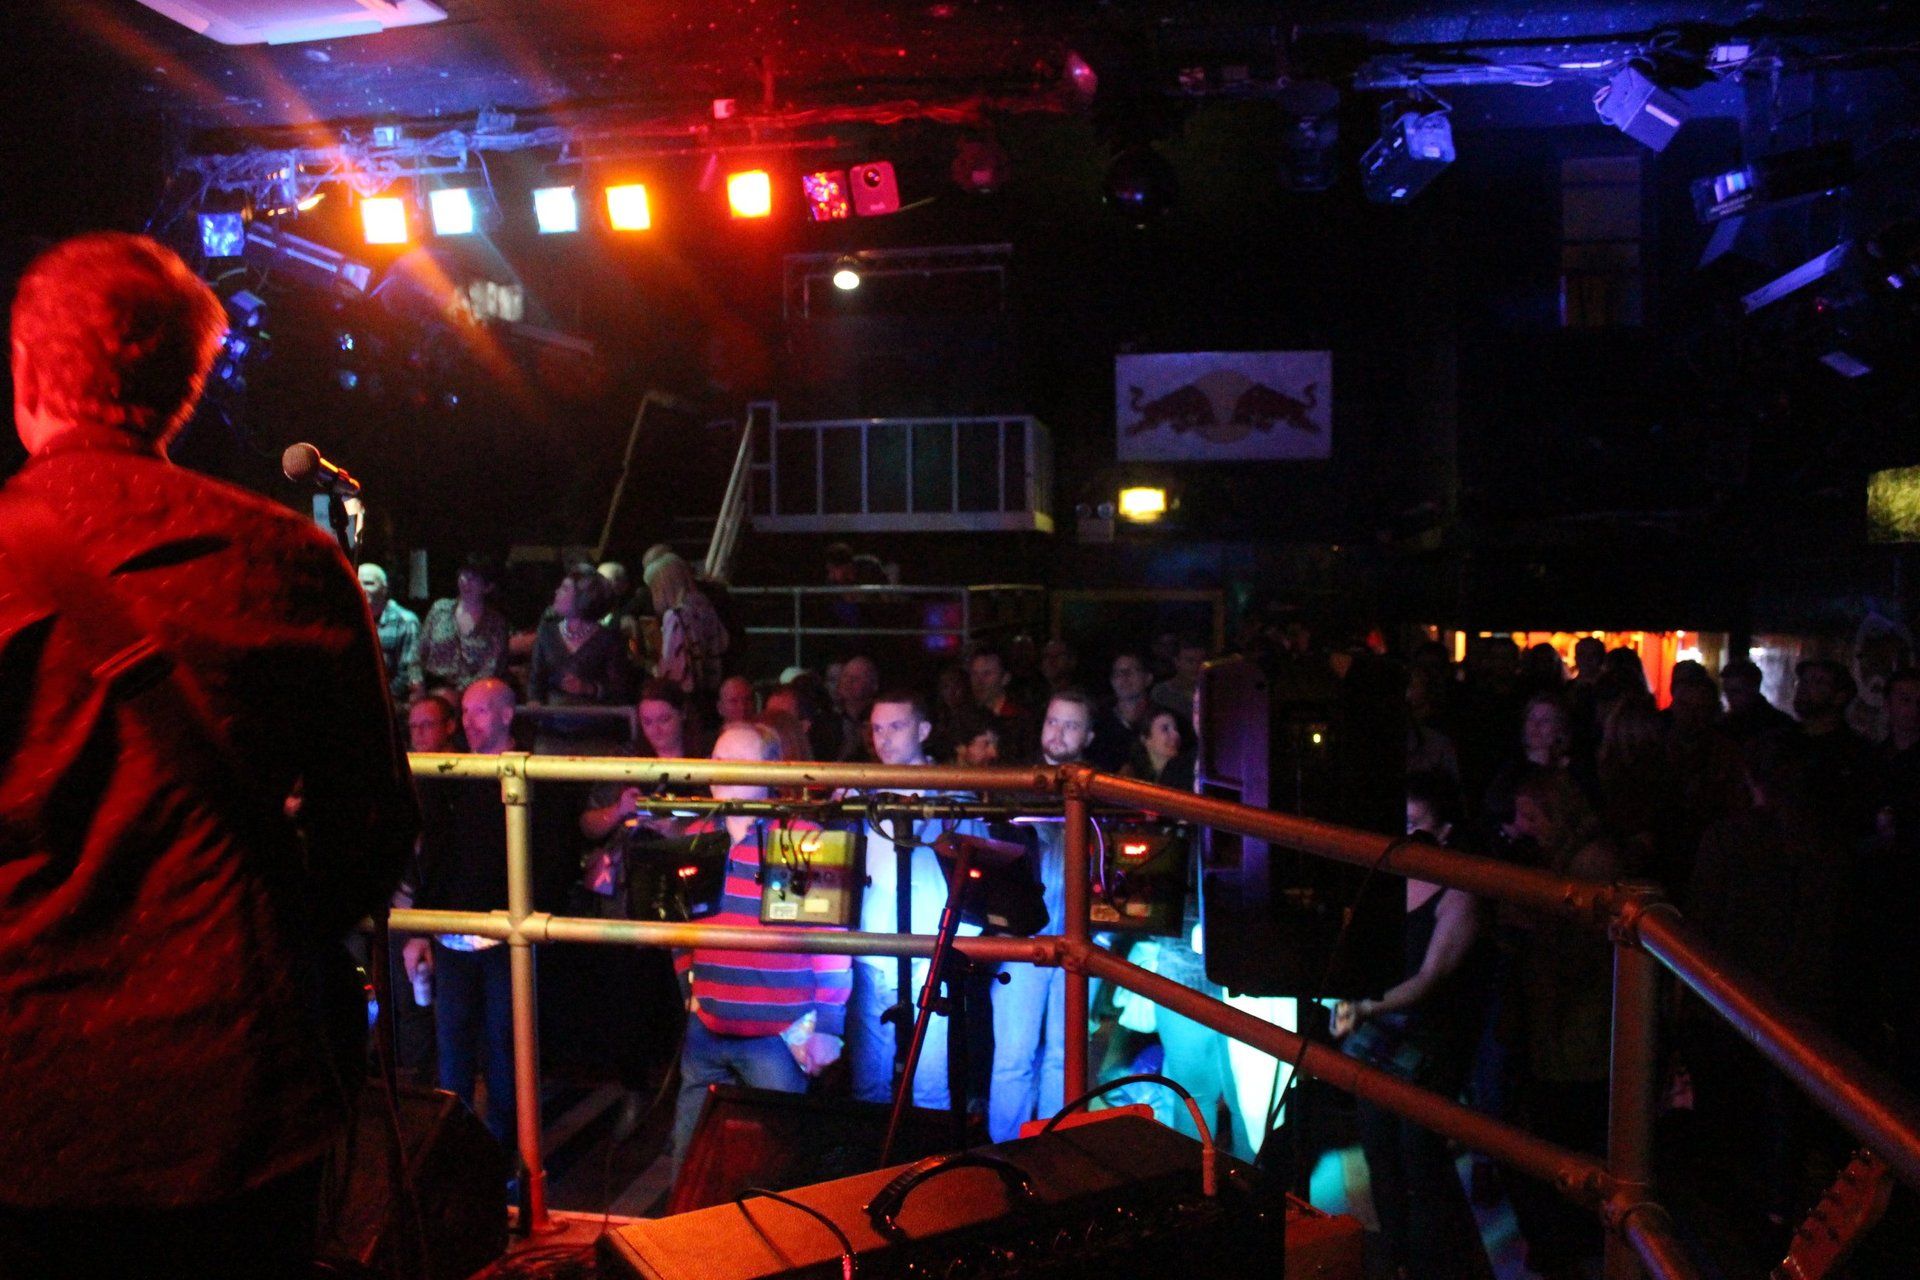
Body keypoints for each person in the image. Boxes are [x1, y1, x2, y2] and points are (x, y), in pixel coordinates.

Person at [0, 232, 417, 1278]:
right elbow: (372, 828)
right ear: (185, 386)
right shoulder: (285, 560)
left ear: (25, 366)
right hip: (236, 1092)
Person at [668, 723, 850, 1174]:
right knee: (689, 1167)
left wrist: (828, 1026)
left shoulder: (803, 839)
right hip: (707, 1030)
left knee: (777, 1174)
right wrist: (690, 996)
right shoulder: (695, 838)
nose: (721, 771)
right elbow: (678, 927)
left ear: (768, 770)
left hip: (777, 1037)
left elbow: (832, 944)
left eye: (736, 761)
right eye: (716, 759)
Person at [1333, 777, 1493, 1280]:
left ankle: (1443, 1266)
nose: (1401, 834)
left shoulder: (1460, 890)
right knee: (1379, 1150)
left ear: (1443, 832)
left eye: (1414, 825)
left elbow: (1430, 980)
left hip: (1427, 1035)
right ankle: (1398, 1258)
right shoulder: (1386, 875)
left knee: (1420, 1157)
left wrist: (1363, 1008)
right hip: (1376, 1026)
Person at [402, 679, 531, 1153]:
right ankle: (452, 1155)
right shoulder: (449, 775)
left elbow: (547, 853)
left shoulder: (526, 770)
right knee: (452, 1055)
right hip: (455, 936)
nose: (471, 723)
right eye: (467, 712)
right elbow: (432, 858)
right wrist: (421, 927)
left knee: (505, 1054)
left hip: (505, 934)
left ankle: (506, 1158)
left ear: (505, 715)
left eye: (480, 712)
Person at [846, 690, 988, 1111]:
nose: (883, 738)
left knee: (929, 1078)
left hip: (932, 941)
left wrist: (962, 935)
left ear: (924, 730)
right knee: (869, 1077)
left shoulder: (954, 792)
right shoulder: (861, 791)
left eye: (896, 726)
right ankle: (869, 1165)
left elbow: (978, 859)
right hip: (873, 940)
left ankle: (927, 1163)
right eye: (876, 728)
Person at [989, 689, 1097, 1141]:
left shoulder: (1103, 790)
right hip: (1022, 939)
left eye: (1071, 725)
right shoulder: (1017, 784)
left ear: (1088, 736)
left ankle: (1056, 1149)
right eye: (1053, 721)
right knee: (1014, 1057)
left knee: (1062, 1055)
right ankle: (1003, 1154)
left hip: (1082, 936)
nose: (1059, 732)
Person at [529, 566, 633, 753]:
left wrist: (588, 688)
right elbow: (536, 679)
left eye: (565, 589)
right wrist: (534, 701)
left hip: (595, 729)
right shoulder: (547, 632)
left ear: (583, 598)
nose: (557, 592)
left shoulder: (609, 640)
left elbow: (620, 690)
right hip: (552, 727)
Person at [419, 553, 509, 694]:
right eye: (464, 575)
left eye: (474, 578)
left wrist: (459, 692)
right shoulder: (440, 609)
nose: (466, 581)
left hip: (475, 692)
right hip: (433, 688)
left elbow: (492, 667)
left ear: (487, 587)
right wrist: (416, 682)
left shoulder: (495, 623)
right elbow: (419, 653)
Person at [645, 552, 729, 699]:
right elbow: (723, 643)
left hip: (687, 696)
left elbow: (672, 669)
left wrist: (648, 665)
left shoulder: (675, 616)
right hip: (712, 688)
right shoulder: (704, 604)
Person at [360, 561, 423, 704]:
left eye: (369, 583)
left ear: (385, 589)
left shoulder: (406, 621)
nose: (362, 589)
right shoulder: (348, 619)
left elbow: (408, 673)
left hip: (391, 702)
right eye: (357, 583)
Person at [1127, 705, 1195, 791]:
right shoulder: (1131, 777)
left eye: (1176, 729)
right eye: (1165, 729)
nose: (1176, 735)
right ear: (1145, 739)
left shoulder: (1189, 774)